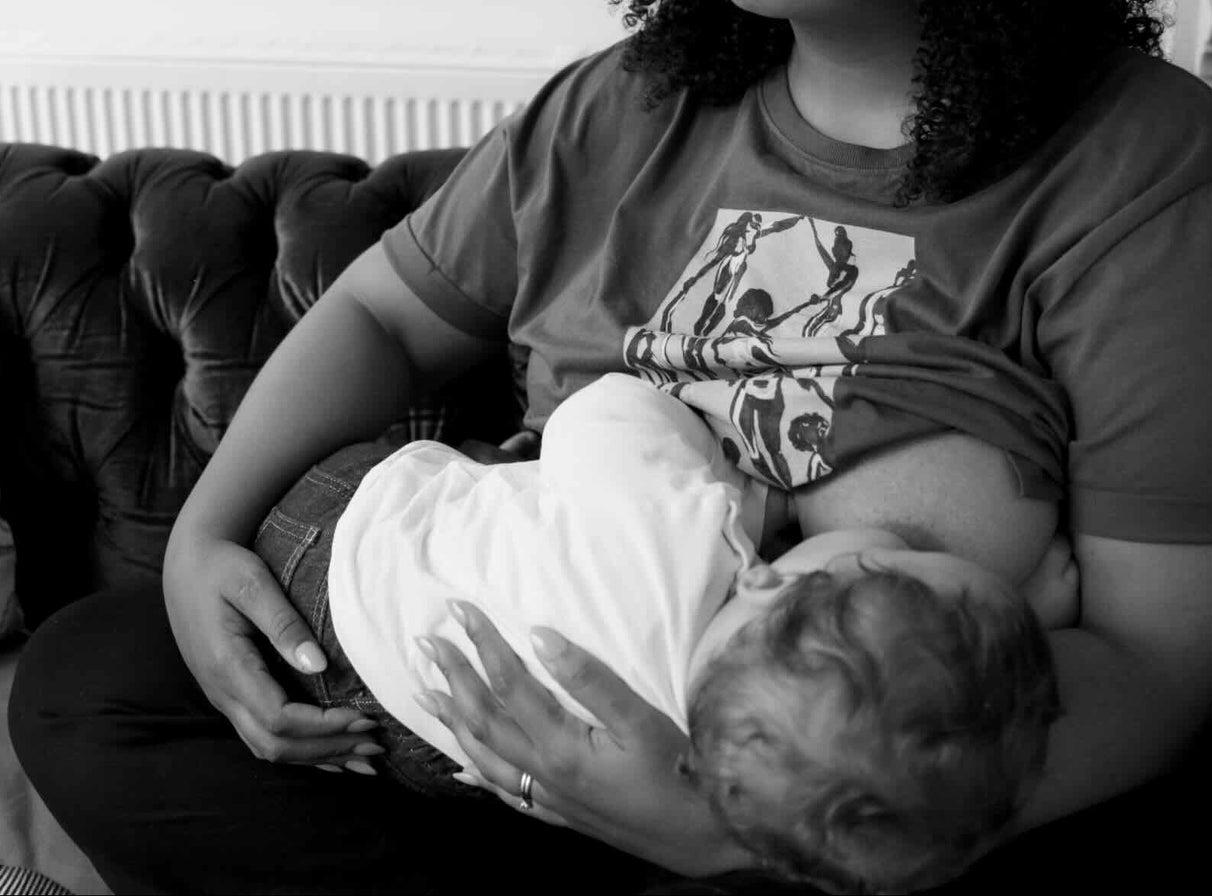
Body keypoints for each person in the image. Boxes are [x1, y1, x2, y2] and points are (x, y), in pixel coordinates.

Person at [10, 0, 1212, 895]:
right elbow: (380, 314)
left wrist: (736, 825)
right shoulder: (631, 101)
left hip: (831, 812)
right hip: (491, 721)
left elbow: (1162, 680)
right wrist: (206, 539)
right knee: (82, 687)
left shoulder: (1143, 170)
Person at [253, 370, 1075, 892]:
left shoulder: (684, 537)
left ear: (769, 575)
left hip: (338, 552)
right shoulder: (715, 760)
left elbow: (604, 411)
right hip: (430, 737)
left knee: (483, 482)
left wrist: (726, 484)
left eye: (900, 552)